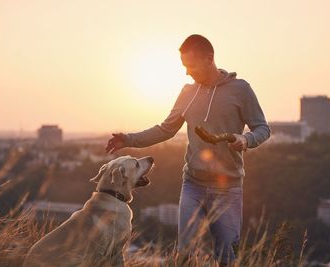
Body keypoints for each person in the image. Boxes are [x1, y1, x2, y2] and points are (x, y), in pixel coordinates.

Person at [105, 34, 270, 266]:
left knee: (228, 258)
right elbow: (165, 130)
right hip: (192, 185)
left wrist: (246, 139)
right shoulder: (187, 92)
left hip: (227, 189)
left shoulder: (240, 89)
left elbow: (263, 128)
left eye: (190, 65)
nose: (187, 72)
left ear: (209, 58)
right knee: (185, 256)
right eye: (184, 66)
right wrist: (129, 139)